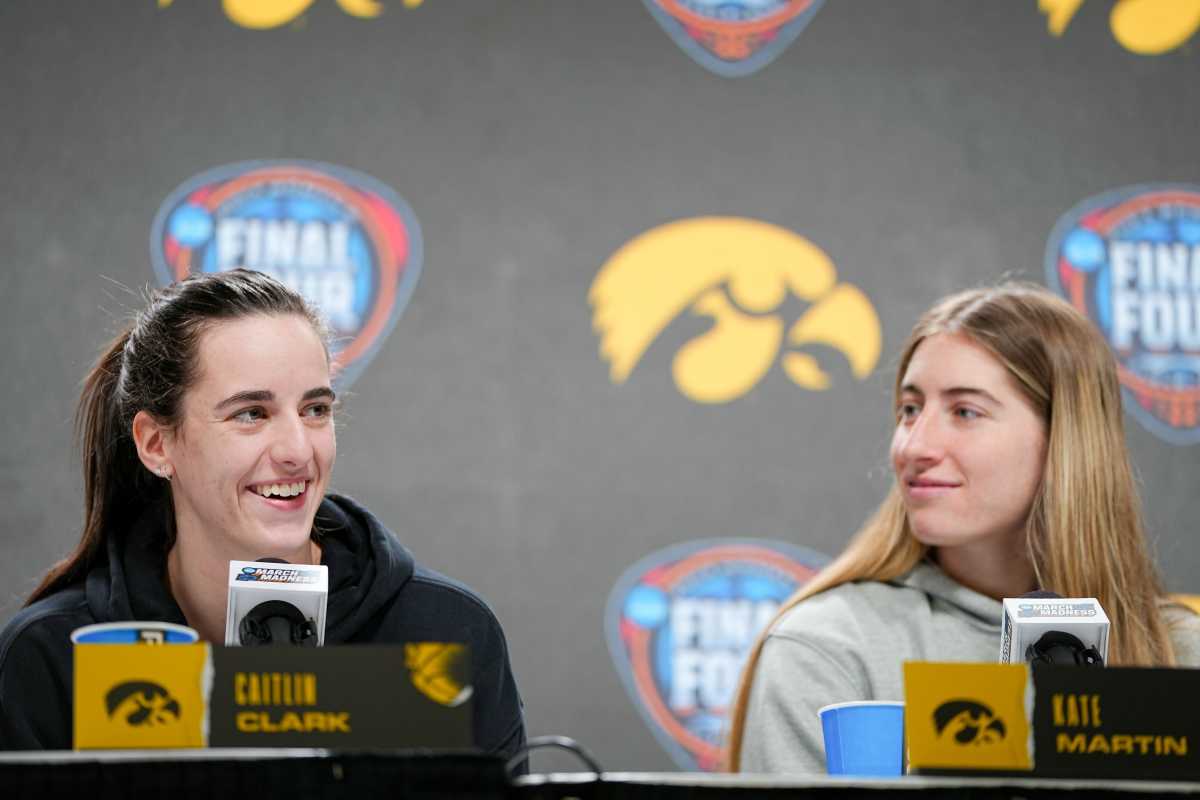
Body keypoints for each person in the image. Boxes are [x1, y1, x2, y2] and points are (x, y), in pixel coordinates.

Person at [0, 269, 525, 755]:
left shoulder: (446, 634)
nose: (298, 449)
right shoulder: (52, 660)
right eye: (251, 414)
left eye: (315, 410)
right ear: (156, 444)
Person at [726, 282, 1200, 774]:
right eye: (910, 410)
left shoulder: (1179, 653)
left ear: (1066, 440)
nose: (913, 447)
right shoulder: (829, 648)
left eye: (965, 412)